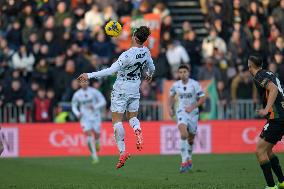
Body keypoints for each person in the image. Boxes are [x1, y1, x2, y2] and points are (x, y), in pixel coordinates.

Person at [77, 26, 155, 169]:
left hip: (121, 89)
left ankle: (123, 152)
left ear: (134, 37)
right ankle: (137, 130)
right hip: (135, 88)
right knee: (132, 117)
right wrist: (149, 74)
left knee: (117, 121)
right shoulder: (146, 52)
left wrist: (90, 75)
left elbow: (111, 71)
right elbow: (152, 67)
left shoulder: (126, 55)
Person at [248, 55, 284, 189]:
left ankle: (271, 186)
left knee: (259, 151)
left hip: (277, 118)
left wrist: (266, 109)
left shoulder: (259, 76)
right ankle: (282, 182)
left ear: (250, 66)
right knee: (267, 151)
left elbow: (273, 89)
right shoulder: (269, 73)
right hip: (280, 115)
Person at [168, 64, 205, 173]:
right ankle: (184, 161)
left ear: (188, 73)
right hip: (181, 112)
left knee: (191, 139)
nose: (183, 74)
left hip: (193, 113)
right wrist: (170, 108)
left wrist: (192, 107)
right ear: (178, 74)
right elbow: (170, 96)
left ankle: (189, 157)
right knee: (184, 134)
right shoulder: (176, 85)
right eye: (181, 72)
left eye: (185, 72)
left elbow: (202, 98)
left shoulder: (195, 84)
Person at [71, 80, 106, 164]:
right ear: (79, 84)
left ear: (88, 83)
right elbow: (74, 106)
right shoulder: (77, 94)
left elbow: (103, 101)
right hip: (84, 117)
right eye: (82, 82)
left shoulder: (94, 92)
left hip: (95, 116)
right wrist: (77, 113)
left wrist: (95, 106)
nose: (84, 83)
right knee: (89, 135)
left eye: (85, 82)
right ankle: (94, 156)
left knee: (97, 134)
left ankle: (97, 142)